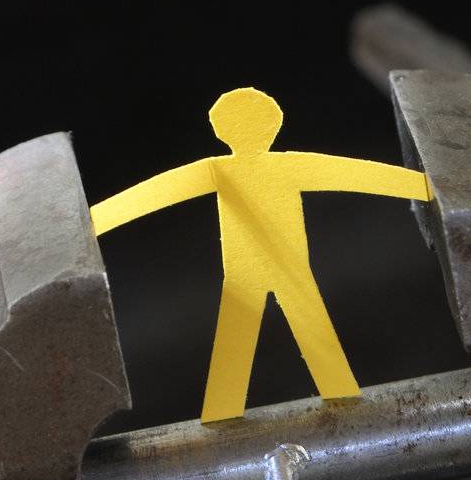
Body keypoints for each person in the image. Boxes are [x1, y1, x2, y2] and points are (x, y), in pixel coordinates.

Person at [91, 87, 431, 420]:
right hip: (274, 268)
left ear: (220, 128)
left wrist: (92, 221)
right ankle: (321, 396)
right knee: (296, 338)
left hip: (260, 270)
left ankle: (232, 409)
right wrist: (425, 187)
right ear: (274, 124)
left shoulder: (220, 169)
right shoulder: (276, 165)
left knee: (247, 341)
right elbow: (359, 174)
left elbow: (156, 193)